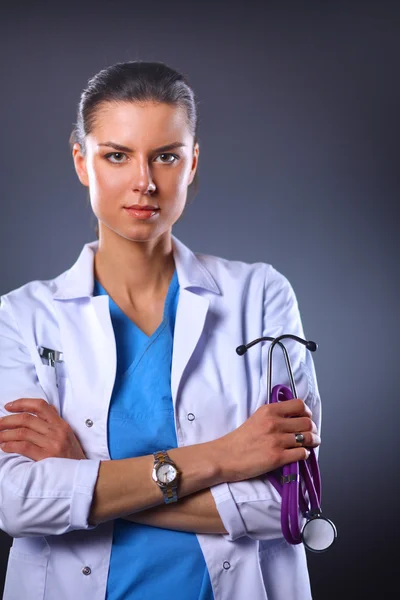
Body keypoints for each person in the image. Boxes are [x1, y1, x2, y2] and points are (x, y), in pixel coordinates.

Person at [0, 61, 321, 600]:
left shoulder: (260, 295)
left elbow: (289, 505)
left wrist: (87, 478)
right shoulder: (21, 317)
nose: (144, 181)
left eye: (166, 156)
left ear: (192, 162)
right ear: (82, 161)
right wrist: (224, 455)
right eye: (117, 155)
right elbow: (17, 501)